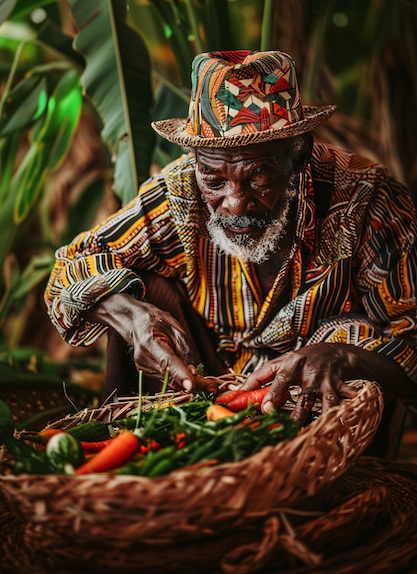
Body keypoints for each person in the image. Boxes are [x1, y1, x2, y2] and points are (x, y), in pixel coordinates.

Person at [45, 49, 417, 429]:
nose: (235, 205)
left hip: (314, 413)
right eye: (215, 179)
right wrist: (131, 316)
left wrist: (345, 356)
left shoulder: (369, 201)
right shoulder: (180, 193)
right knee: (135, 290)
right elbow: (70, 268)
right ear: (195, 161)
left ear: (299, 153)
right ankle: (139, 451)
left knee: (354, 336)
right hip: (200, 390)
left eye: (259, 176)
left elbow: (412, 345)